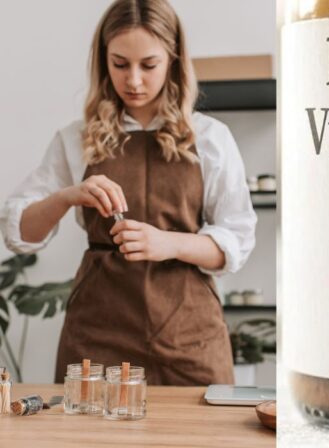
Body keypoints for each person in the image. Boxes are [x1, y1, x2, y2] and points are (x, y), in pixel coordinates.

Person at [0, 0, 257, 385]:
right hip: (98, 335)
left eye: (148, 65)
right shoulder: (74, 139)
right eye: (120, 64)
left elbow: (237, 239)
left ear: (172, 60)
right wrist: (68, 195)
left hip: (189, 337)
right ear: (103, 61)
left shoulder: (210, 137)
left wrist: (167, 243)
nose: (133, 80)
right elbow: (20, 233)